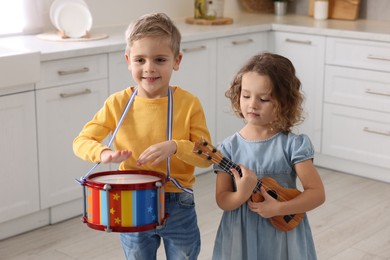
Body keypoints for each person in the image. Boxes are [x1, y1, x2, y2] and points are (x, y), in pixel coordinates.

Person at [73, 13, 212, 260]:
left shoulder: (188, 103)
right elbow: (81, 142)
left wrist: (176, 147)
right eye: (140, 59)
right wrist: (104, 153)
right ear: (128, 60)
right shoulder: (117, 103)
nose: (149, 68)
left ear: (176, 61)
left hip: (177, 200)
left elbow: (207, 158)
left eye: (160, 59)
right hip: (131, 201)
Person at [212, 53, 326, 260]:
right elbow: (222, 200)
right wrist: (241, 194)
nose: (252, 105)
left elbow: (317, 193)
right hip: (240, 236)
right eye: (246, 96)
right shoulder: (228, 149)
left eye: (263, 99)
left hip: (282, 236)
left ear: (284, 103)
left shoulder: (293, 145)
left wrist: (279, 208)